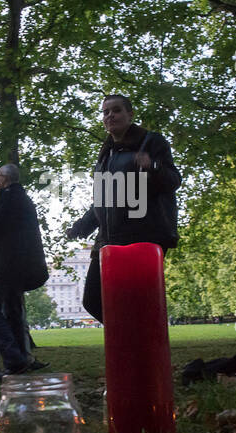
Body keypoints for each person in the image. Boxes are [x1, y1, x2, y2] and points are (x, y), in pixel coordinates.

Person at [65, 95, 180, 322]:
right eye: (105, 112)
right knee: (93, 301)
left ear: (130, 114)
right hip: (108, 241)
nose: (110, 116)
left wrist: (152, 166)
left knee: (138, 300)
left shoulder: (151, 142)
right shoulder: (106, 153)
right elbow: (104, 200)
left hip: (143, 238)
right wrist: (80, 227)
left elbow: (173, 180)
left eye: (116, 110)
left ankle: (142, 348)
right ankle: (132, 341)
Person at [0, 163, 49, 380]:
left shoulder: (6, 198)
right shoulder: (24, 200)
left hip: (0, 266)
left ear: (3, 178)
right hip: (18, 268)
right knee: (14, 314)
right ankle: (21, 360)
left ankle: (14, 359)